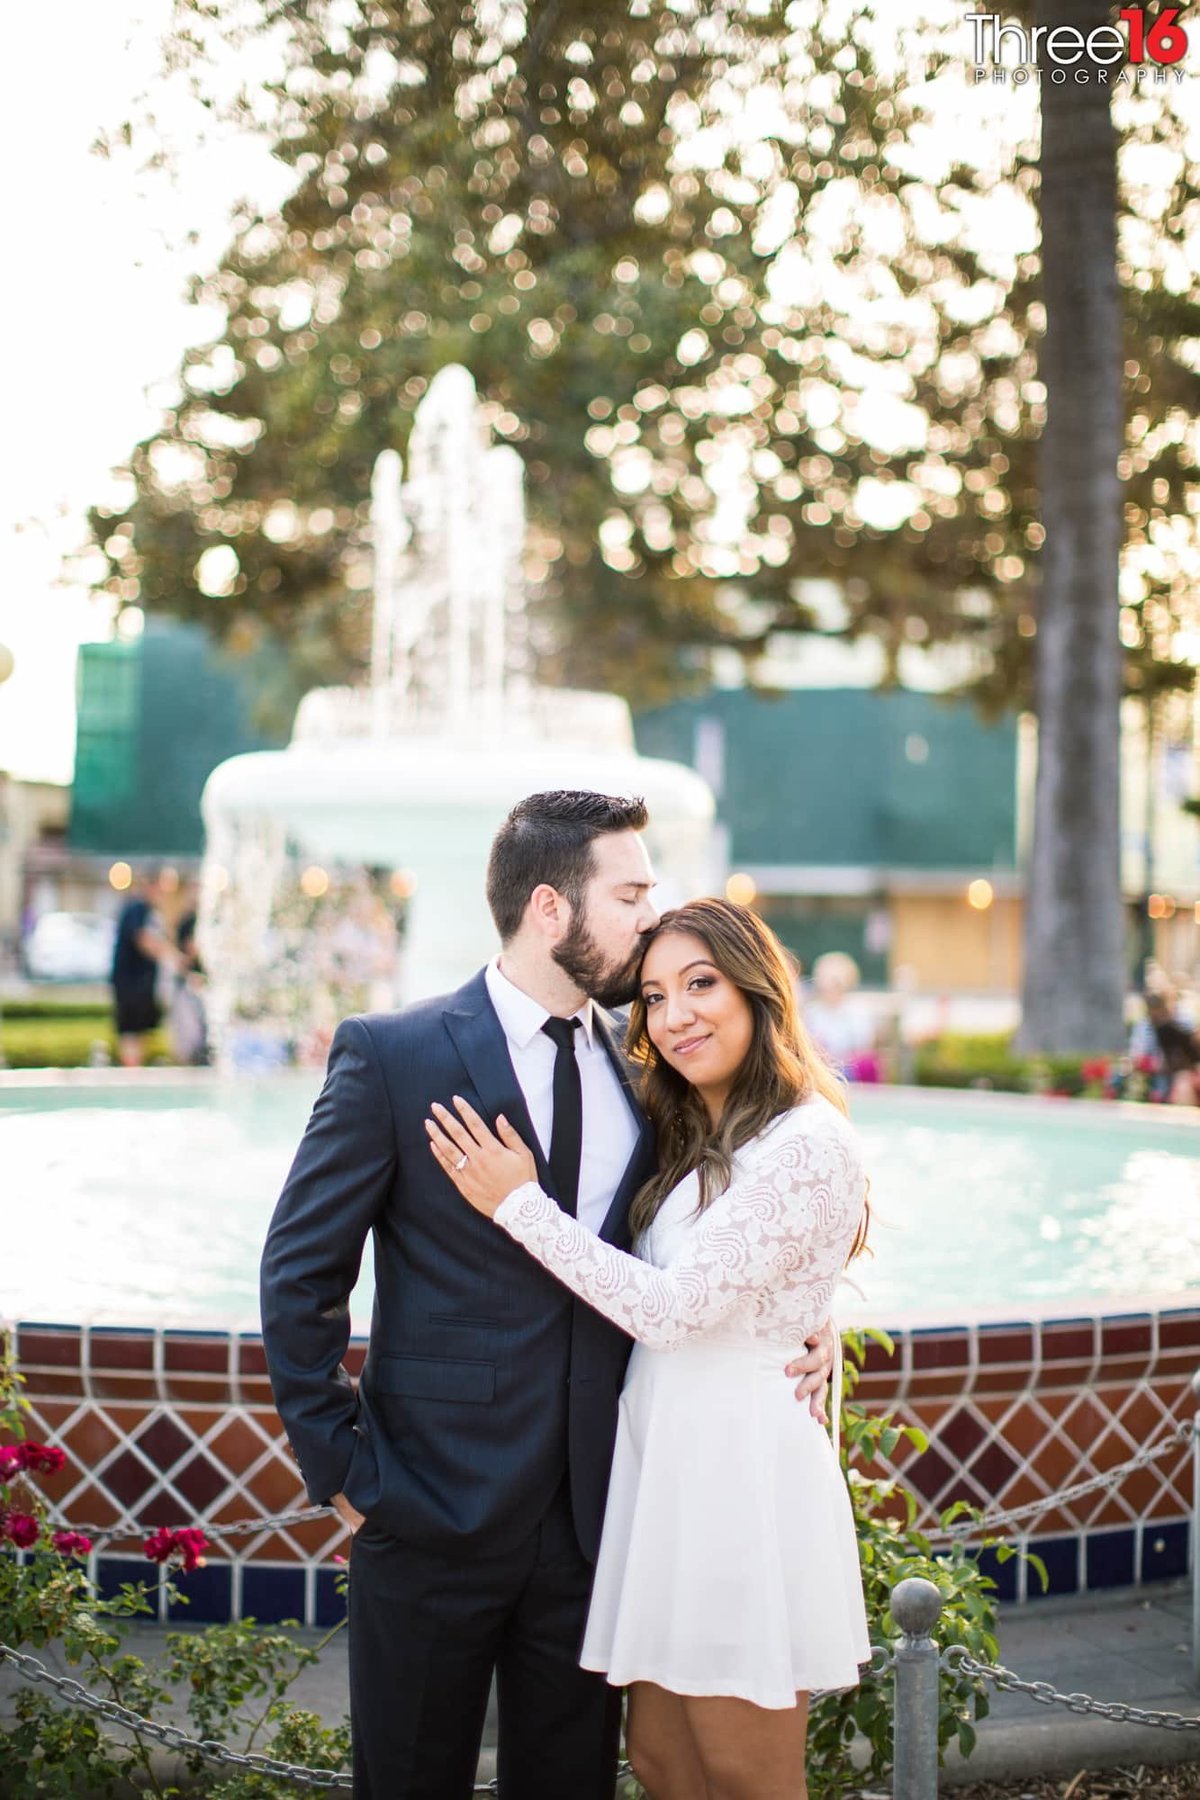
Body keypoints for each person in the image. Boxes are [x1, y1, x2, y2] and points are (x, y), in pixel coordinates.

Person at [260, 792, 835, 1800]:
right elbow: (300, 1272)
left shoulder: (647, 1069)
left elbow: (724, 1232)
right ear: (550, 908)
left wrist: (804, 1314)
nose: (649, 917)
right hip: (430, 1511)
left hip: (599, 1527)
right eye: (630, 894)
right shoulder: (393, 1055)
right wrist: (341, 1464)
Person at [429, 899, 869, 1800]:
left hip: (737, 1473)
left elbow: (676, 1310)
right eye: (657, 995)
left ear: (758, 990)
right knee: (666, 1763)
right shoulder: (696, 1135)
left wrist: (519, 1206)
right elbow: (745, 1270)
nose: (676, 1016)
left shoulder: (807, 1139)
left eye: (702, 984)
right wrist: (814, 1315)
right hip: (668, 1463)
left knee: (746, 1774)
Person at [110, 868, 177, 1068]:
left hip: (140, 983)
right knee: (131, 1032)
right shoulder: (138, 908)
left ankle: (134, 1068)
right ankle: (132, 1072)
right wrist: (172, 957)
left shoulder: (146, 910)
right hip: (131, 983)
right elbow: (144, 940)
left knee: (139, 1032)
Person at [802, 950, 879, 1082]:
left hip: (848, 1073)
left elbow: (862, 1048)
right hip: (820, 1071)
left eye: (834, 983)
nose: (828, 989)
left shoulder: (857, 1011)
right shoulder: (812, 1013)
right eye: (824, 983)